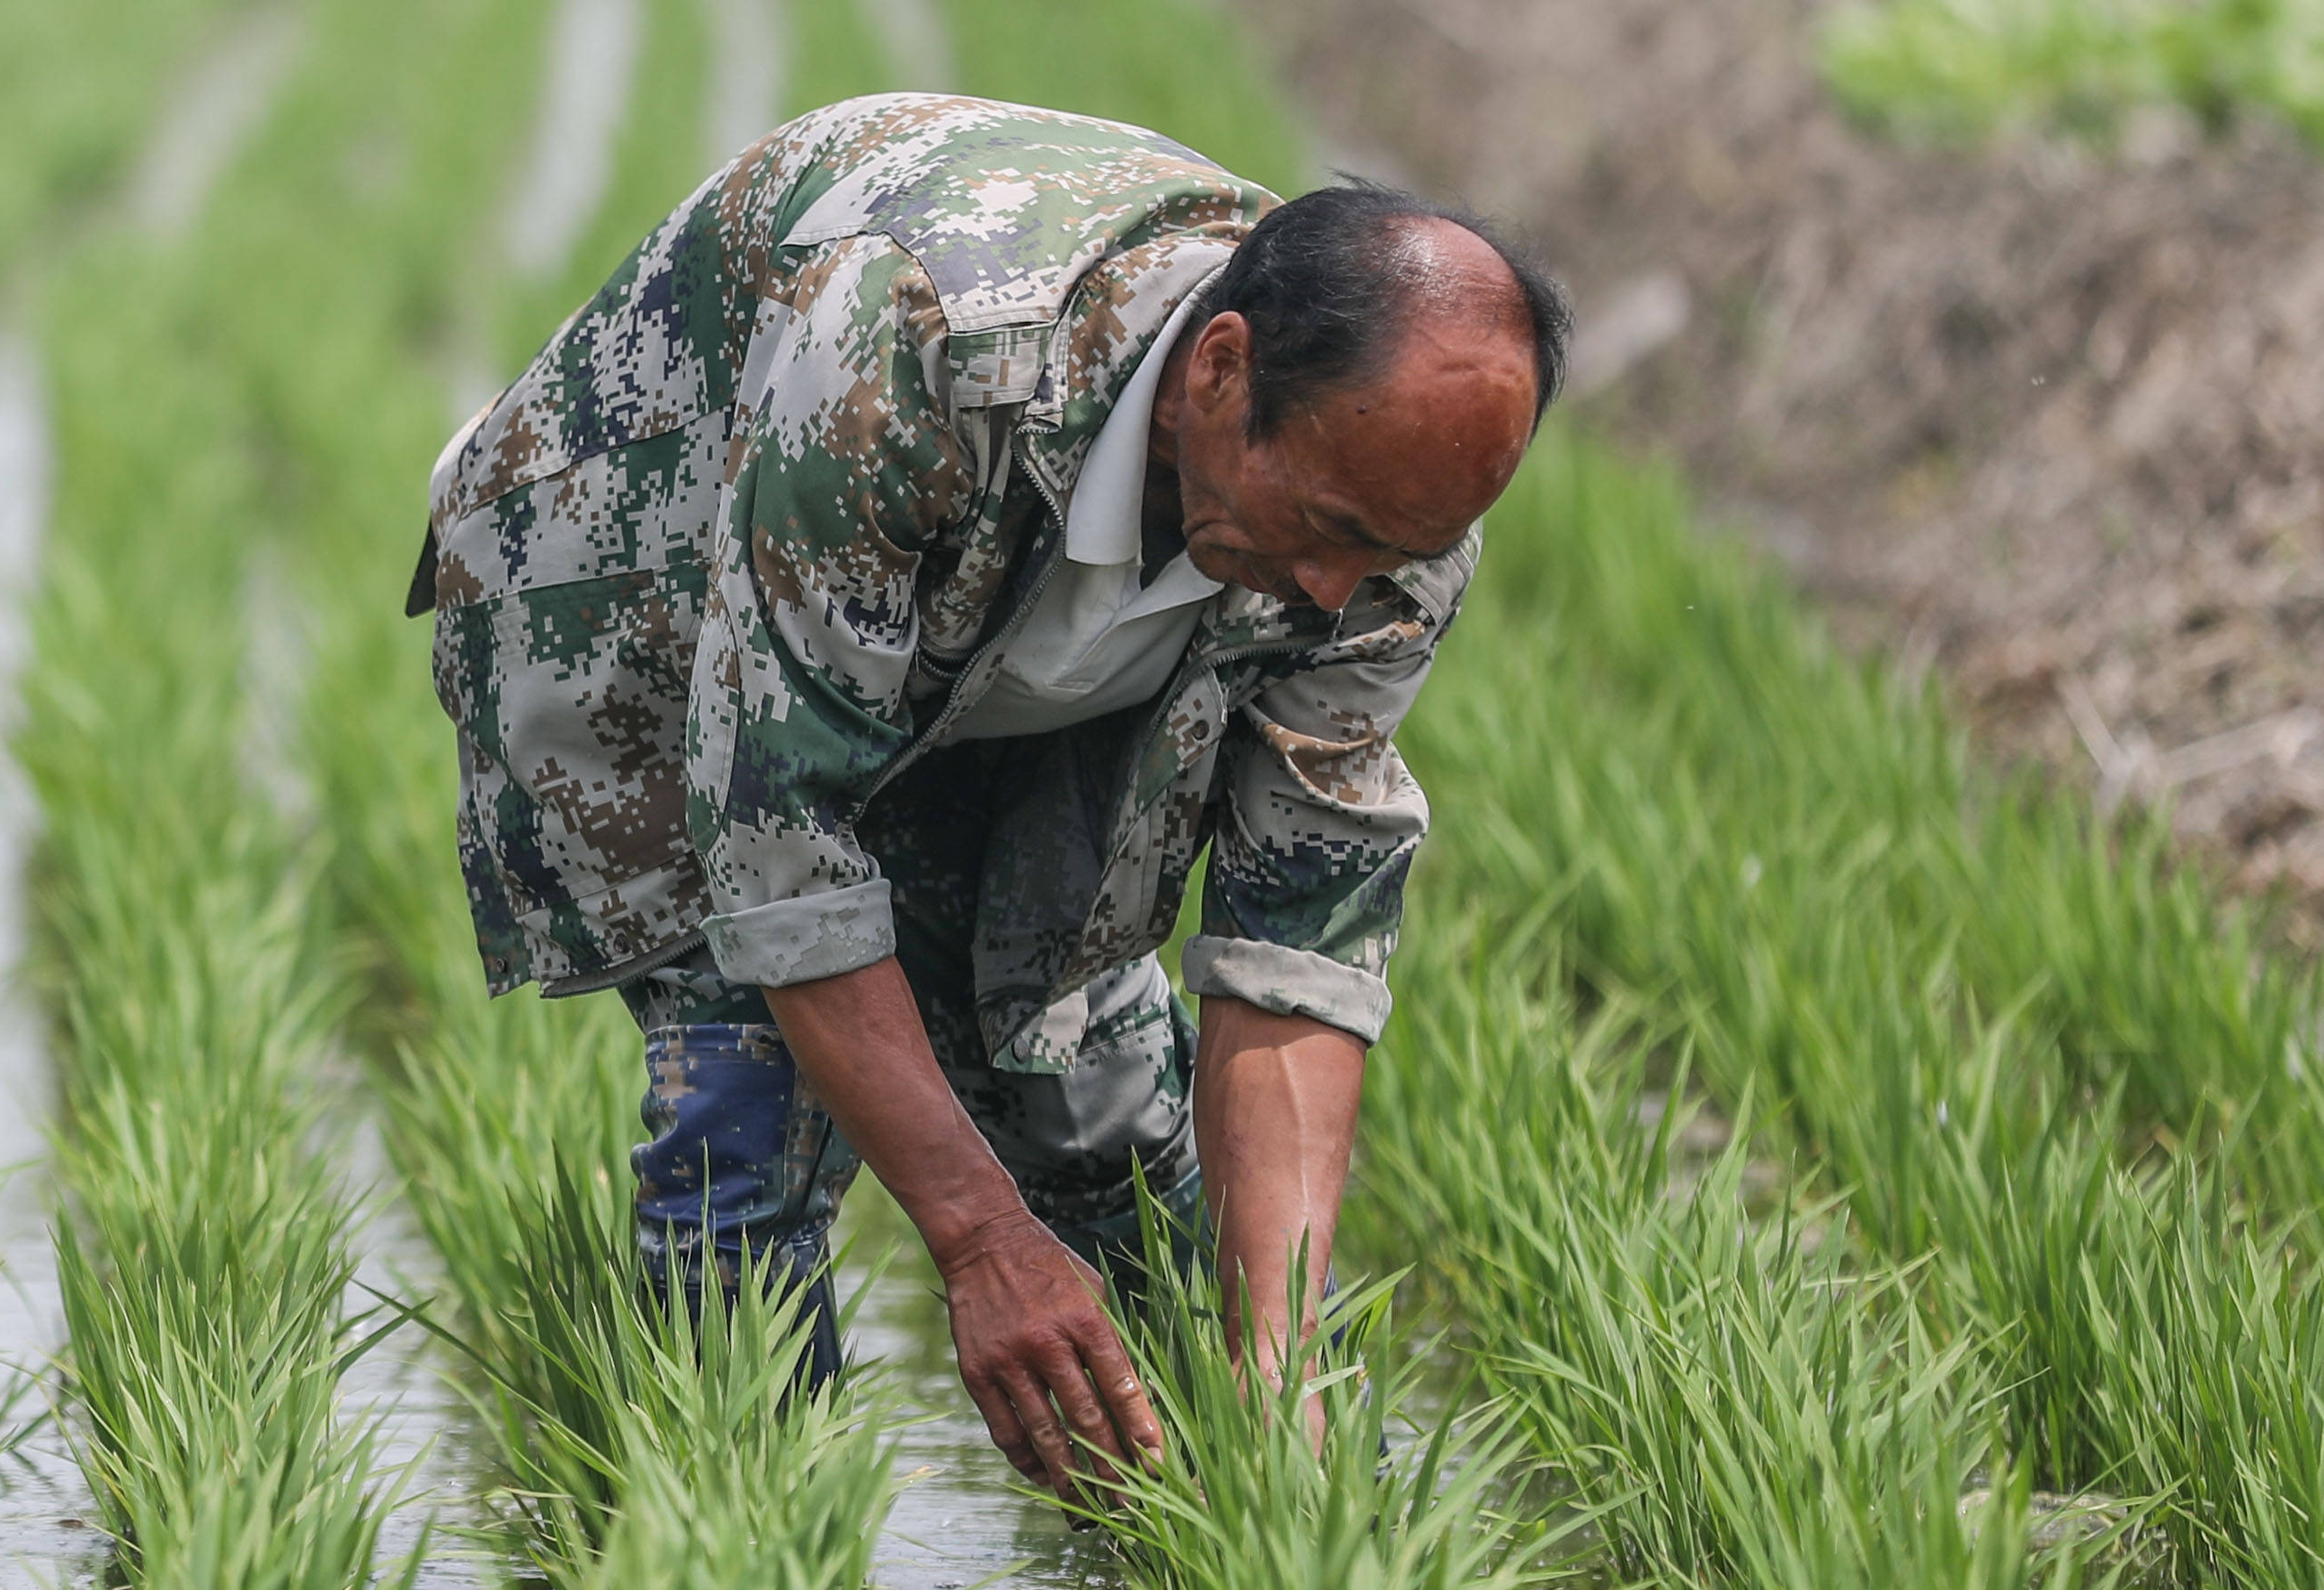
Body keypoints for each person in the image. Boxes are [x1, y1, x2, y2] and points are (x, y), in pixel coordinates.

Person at [412, 93, 1568, 1492]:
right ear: (1218, 371)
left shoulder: (1388, 523)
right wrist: (974, 1241)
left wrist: (1282, 1354)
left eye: (1388, 550)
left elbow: (1297, 937)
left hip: (1018, 636)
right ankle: (748, 1565)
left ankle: (1247, 1510)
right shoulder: (910, 349)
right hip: (659, 594)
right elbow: (780, 848)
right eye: (1325, 530)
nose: (1339, 592)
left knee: (1102, 1108)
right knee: (748, 1108)